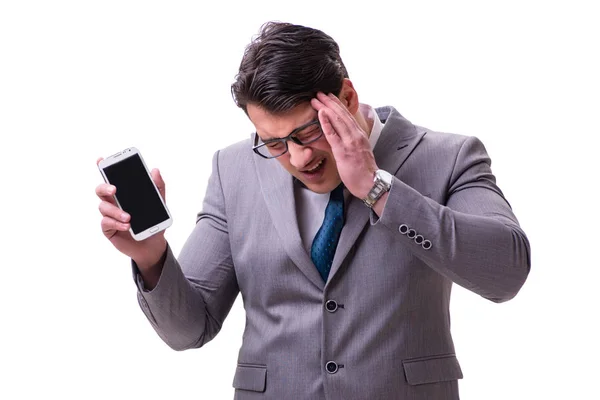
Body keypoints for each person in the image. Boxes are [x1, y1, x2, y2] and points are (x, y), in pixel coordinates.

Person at [96, 21, 531, 400]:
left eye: (308, 131)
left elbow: (506, 272)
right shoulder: (234, 170)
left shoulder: (449, 157)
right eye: (274, 142)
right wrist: (151, 258)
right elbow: (189, 329)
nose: (299, 158)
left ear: (347, 95)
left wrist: (379, 189)